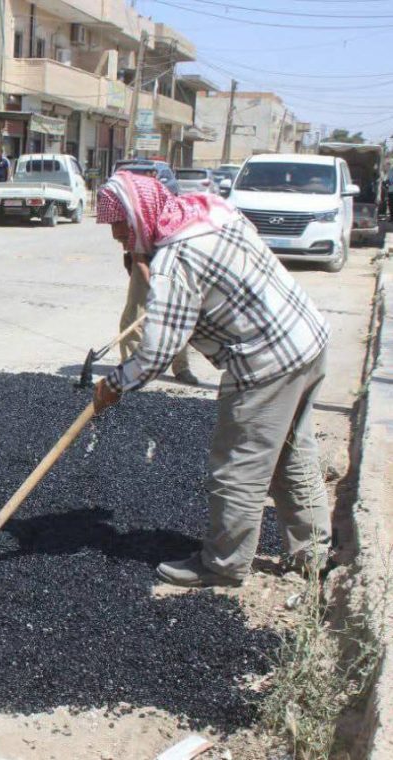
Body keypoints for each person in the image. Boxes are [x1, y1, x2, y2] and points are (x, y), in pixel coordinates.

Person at [92, 171, 332, 588]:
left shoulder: (176, 260)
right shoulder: (206, 211)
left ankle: (223, 564)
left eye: (121, 228)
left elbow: (155, 355)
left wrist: (113, 384)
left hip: (266, 365)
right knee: (292, 453)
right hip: (307, 340)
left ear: (137, 216)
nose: (119, 238)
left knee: (238, 469)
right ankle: (312, 553)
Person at [117, 245, 199, 386]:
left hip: (178, 261)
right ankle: (135, 366)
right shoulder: (140, 225)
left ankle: (181, 367)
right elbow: (138, 257)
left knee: (179, 315)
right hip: (144, 258)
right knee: (134, 315)